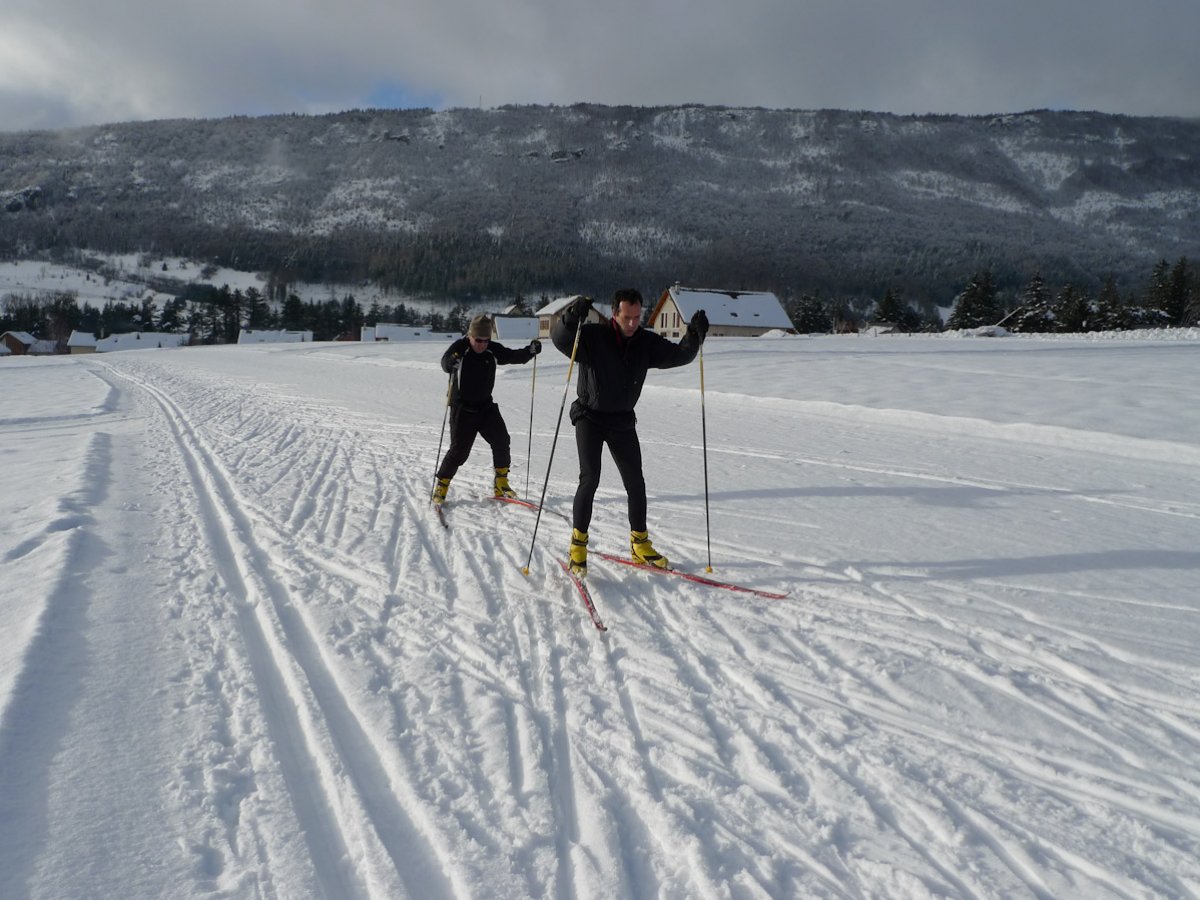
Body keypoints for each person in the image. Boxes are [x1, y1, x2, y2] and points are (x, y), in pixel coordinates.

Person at [551, 289, 708, 576]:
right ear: (614, 314)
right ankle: (578, 546)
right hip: (589, 416)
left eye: (637, 317)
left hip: (622, 420)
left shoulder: (645, 343)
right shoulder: (593, 336)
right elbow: (561, 339)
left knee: (636, 483)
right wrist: (571, 316)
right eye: (627, 317)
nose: (633, 323)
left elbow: (679, 355)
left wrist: (694, 336)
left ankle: (639, 543)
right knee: (590, 478)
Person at [432, 315, 541, 505]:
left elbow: (512, 356)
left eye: (486, 340)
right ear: (470, 336)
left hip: (485, 407)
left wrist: (530, 351)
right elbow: (445, 363)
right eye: (478, 340)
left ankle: (501, 483)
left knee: (502, 441)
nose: (482, 344)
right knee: (459, 451)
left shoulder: (492, 349)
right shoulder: (461, 348)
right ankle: (442, 486)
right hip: (462, 409)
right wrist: (451, 362)